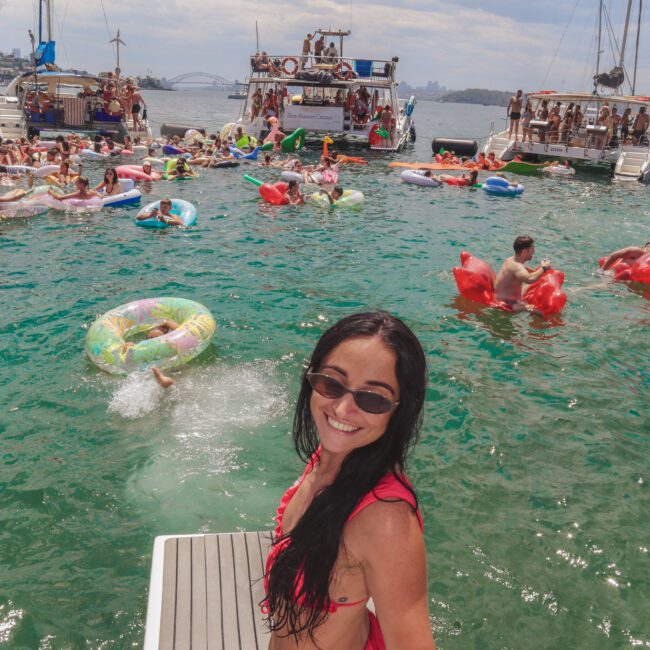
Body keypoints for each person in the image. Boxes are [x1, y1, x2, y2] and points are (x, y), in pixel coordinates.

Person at [263, 311, 434, 650]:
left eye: (371, 398)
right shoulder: (329, 460)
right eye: (331, 383)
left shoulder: (385, 519)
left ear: (399, 410)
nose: (342, 409)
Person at [494, 236, 552, 312]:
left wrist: (538, 271)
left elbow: (523, 269)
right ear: (524, 252)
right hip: (507, 303)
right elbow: (529, 279)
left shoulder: (511, 260)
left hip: (504, 295)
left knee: (535, 284)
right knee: (539, 311)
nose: (534, 251)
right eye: (532, 249)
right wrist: (543, 268)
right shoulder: (516, 266)